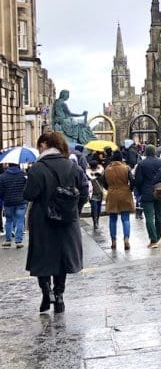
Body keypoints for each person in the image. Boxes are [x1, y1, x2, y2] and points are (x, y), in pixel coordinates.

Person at [23, 130, 88, 313]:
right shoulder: (72, 166)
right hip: (67, 220)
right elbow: (84, 190)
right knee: (62, 259)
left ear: (44, 145)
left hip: (42, 220)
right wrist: (74, 208)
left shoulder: (37, 168)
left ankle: (47, 292)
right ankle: (59, 296)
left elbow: (28, 194)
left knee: (42, 258)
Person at [133, 144, 161, 248]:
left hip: (147, 193)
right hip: (160, 192)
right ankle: (158, 237)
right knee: (159, 216)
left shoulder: (142, 164)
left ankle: (153, 239)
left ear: (145, 152)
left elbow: (138, 181)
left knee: (149, 217)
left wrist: (139, 191)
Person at [103, 153, 135, 250]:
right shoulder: (126, 168)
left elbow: (104, 183)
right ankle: (126, 239)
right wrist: (130, 189)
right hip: (124, 193)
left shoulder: (107, 169)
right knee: (126, 218)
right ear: (121, 159)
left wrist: (110, 188)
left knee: (112, 219)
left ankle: (113, 240)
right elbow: (132, 180)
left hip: (112, 193)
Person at [0, 162, 28, 248]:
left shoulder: (2, 176)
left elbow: (0, 191)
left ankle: (8, 240)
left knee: (9, 220)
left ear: (9, 165)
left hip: (8, 202)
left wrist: (4, 197)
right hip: (21, 201)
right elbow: (26, 187)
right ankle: (18, 241)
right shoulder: (23, 175)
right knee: (20, 220)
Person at [86, 160, 105, 232]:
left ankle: (96, 222)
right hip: (95, 193)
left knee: (96, 209)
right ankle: (95, 222)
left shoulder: (88, 173)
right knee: (96, 209)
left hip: (94, 193)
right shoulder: (101, 172)